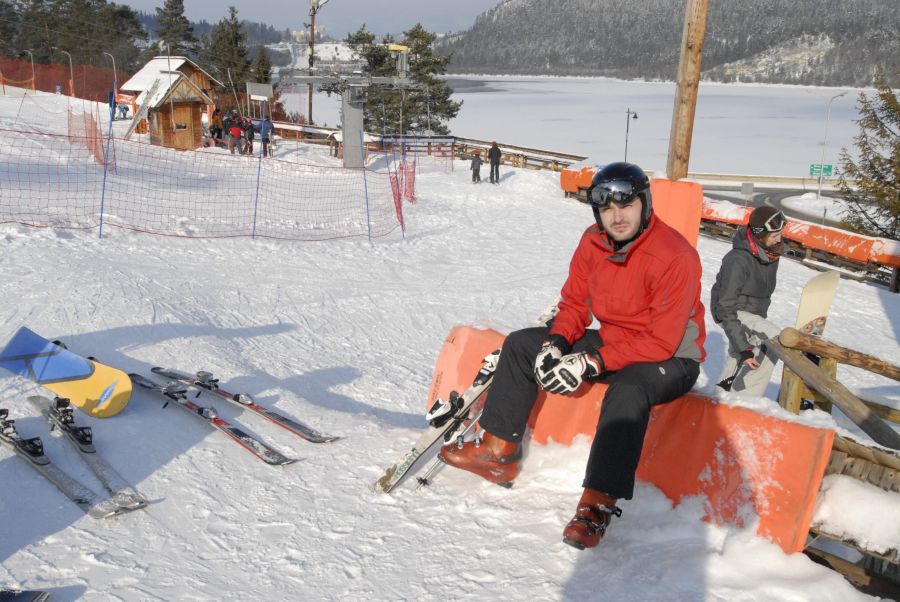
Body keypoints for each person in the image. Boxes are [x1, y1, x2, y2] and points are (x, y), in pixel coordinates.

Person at [440, 162, 706, 550]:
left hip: (671, 358)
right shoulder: (592, 242)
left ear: (645, 203)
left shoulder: (675, 256)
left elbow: (662, 341)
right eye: (606, 208)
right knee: (521, 343)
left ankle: (596, 504)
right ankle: (498, 452)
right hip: (617, 341)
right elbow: (574, 304)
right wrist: (558, 346)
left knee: (629, 389)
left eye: (626, 205)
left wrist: (589, 362)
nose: (617, 216)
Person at [710, 205, 786, 396]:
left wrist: (743, 348)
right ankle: (746, 397)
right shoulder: (737, 260)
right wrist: (744, 347)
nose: (780, 238)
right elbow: (725, 305)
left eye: (780, 233)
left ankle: (723, 395)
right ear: (760, 234)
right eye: (775, 234)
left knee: (743, 353)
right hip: (731, 311)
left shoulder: (770, 255)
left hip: (751, 314)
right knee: (773, 338)